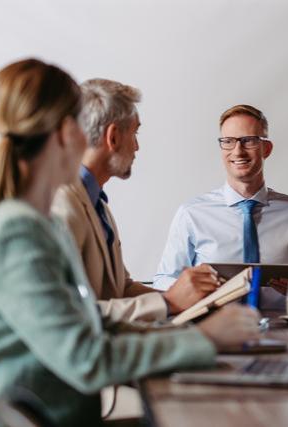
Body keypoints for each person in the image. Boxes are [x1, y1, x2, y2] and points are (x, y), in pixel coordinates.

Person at [0, 58, 260, 426]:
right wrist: (202, 339)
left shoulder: (41, 224)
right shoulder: (17, 234)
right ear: (65, 132)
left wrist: (190, 330)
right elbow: (86, 359)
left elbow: (89, 320)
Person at [52, 78, 216, 322]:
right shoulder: (62, 205)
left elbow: (122, 288)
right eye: (135, 131)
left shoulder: (99, 205)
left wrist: (186, 300)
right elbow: (66, 314)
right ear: (114, 137)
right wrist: (169, 302)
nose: (137, 146)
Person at [154, 104, 288, 306]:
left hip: (281, 330)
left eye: (249, 141)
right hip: (214, 329)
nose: (238, 151)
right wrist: (193, 288)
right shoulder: (192, 214)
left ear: (267, 148)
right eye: (228, 141)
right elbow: (163, 281)